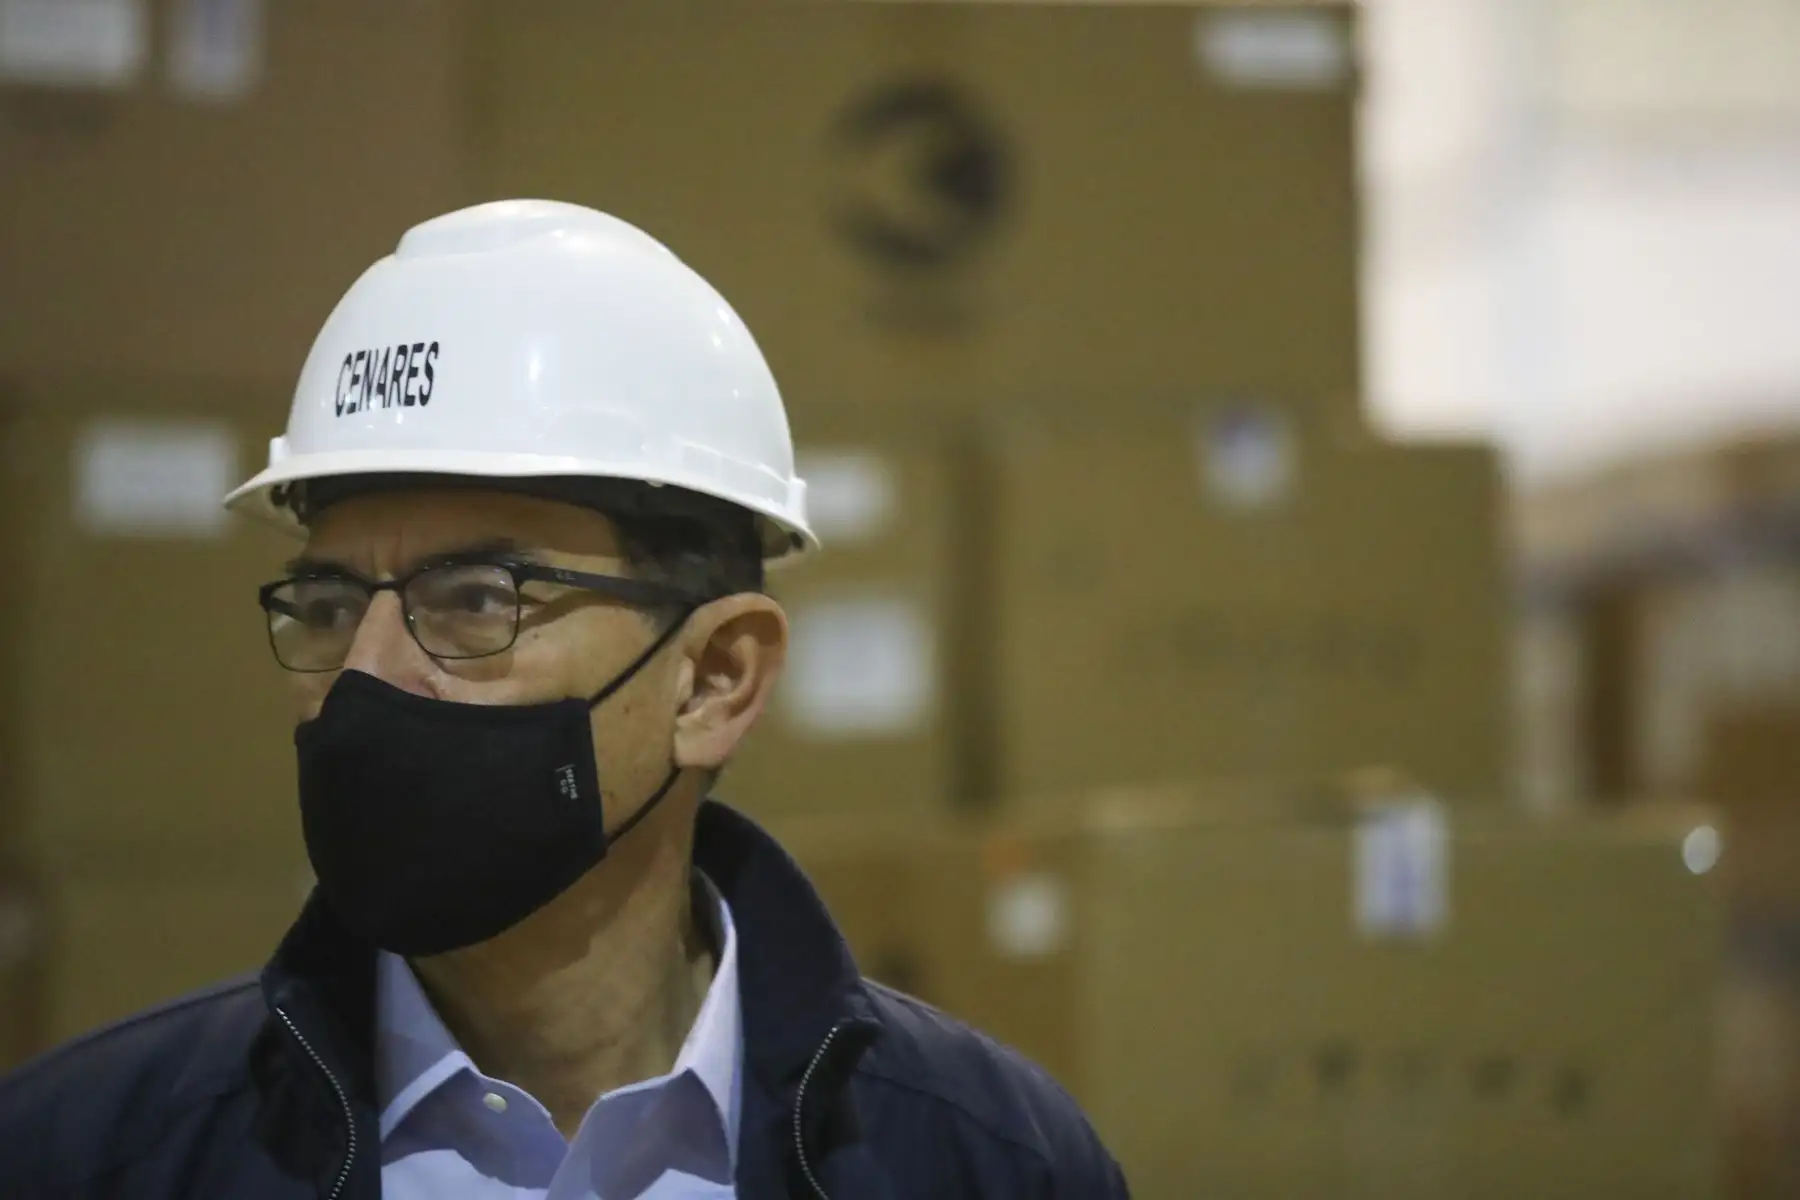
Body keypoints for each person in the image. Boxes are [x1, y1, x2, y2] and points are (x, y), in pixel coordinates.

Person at [0, 200, 1128, 1199]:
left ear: (716, 680)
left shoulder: (989, 1165)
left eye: (476, 599)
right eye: (331, 604)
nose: (365, 674)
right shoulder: (84, 1160)